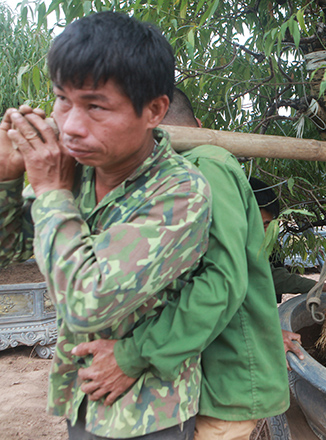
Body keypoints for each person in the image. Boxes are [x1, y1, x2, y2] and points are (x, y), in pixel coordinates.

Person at [0, 12, 212, 439]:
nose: (71, 126)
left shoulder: (180, 192)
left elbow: (86, 305)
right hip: (81, 389)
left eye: (95, 106)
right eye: (63, 100)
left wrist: (50, 191)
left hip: (147, 413)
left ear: (154, 110)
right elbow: (8, 252)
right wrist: (6, 177)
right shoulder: (73, 170)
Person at [71, 86, 290, 440]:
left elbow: (222, 281)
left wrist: (132, 355)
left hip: (227, 377)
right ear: (198, 123)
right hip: (212, 374)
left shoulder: (205, 166)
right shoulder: (173, 174)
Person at [249, 176, 326, 361]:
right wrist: (267, 332)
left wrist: (313, 287)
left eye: (268, 224)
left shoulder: (255, 249)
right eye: (258, 224)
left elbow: (271, 277)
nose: (264, 232)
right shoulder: (217, 254)